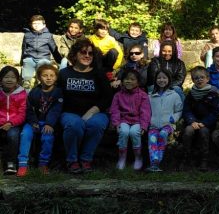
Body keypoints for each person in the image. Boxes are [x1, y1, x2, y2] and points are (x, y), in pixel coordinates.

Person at [57, 38, 111, 173]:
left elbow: (107, 97)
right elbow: (57, 95)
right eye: (83, 52)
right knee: (75, 125)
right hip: (70, 112)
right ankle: (72, 161)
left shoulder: (99, 73)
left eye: (90, 53)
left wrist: (92, 111)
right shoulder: (64, 74)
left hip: (96, 112)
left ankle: (86, 160)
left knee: (96, 124)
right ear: (75, 54)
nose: (87, 56)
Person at [17, 64, 62, 176]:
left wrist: (49, 124)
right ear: (39, 78)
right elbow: (28, 108)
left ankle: (43, 163)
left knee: (48, 137)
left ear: (56, 77)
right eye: (45, 75)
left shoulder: (58, 92)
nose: (48, 78)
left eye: (52, 75)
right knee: (25, 134)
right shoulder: (35, 92)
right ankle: (23, 164)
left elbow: (56, 110)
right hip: (34, 121)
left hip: (49, 123)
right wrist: (33, 122)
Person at [181, 67, 219, 171]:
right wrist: (192, 121)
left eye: (202, 77)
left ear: (207, 79)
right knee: (188, 131)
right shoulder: (191, 94)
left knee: (204, 132)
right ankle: (187, 157)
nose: (199, 80)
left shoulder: (213, 93)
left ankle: (204, 159)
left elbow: (216, 112)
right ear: (193, 80)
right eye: (196, 78)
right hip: (193, 122)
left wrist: (204, 122)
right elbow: (186, 110)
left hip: (207, 123)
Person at [109, 69, 151, 171]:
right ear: (122, 81)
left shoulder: (143, 95)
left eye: (132, 79)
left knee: (133, 132)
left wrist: (144, 125)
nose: (129, 81)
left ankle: (138, 157)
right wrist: (116, 123)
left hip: (137, 121)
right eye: (126, 79)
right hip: (123, 120)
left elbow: (145, 111)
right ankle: (122, 158)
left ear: (137, 82)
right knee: (123, 131)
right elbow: (114, 110)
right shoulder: (118, 95)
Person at [147, 69, 183, 172]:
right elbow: (146, 111)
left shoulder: (174, 95)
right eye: (159, 78)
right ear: (155, 80)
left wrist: (174, 119)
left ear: (169, 79)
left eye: (164, 78)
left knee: (163, 134)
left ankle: (159, 160)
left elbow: (179, 109)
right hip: (153, 125)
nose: (161, 80)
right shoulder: (150, 96)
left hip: (168, 125)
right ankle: (154, 162)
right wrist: (149, 121)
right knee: (152, 138)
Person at [20, 14, 62, 89]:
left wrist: (59, 61)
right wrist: (22, 60)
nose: (36, 25)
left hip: (43, 57)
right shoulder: (27, 35)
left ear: (44, 25)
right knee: (27, 62)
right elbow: (24, 48)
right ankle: (26, 82)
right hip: (30, 56)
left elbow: (53, 48)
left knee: (42, 63)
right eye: (34, 23)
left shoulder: (48, 35)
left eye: (38, 23)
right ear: (31, 24)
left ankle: (40, 81)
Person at [0, 66, 27, 175]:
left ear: (18, 80)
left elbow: (22, 114)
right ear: (1, 79)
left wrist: (10, 123)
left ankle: (11, 163)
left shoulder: (22, 94)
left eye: (13, 77)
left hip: (14, 124)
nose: (9, 80)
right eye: (6, 77)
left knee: (13, 135)